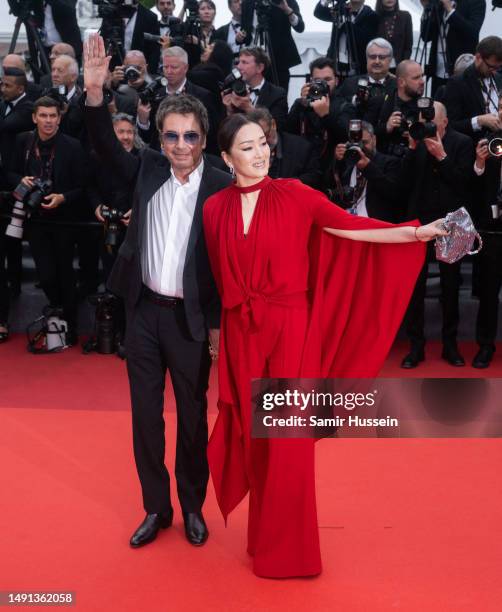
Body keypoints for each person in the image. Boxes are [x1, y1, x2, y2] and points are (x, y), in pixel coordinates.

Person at [203, 113, 447, 578]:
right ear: (226, 157)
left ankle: (290, 555)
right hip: (242, 334)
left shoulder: (295, 195)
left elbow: (353, 228)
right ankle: (262, 537)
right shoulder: (214, 207)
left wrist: (414, 233)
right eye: (248, 147)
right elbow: (219, 280)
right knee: (256, 444)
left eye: (263, 143)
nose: (260, 153)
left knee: (288, 446)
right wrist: (221, 339)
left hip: (291, 333)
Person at [83, 33, 232, 548]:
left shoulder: (221, 185)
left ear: (204, 139)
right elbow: (105, 148)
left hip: (192, 321)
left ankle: (192, 506)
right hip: (144, 313)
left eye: (190, 137)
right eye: (172, 137)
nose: (181, 147)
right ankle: (156, 508)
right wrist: (96, 93)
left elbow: (230, 260)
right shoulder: (146, 167)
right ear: (159, 138)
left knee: (192, 420)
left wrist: (217, 323)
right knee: (146, 419)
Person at [419, 0, 486, 95]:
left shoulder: (476, 2)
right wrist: (426, 9)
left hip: (461, 68)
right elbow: (425, 36)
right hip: (437, 67)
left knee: (457, 104)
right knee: (437, 104)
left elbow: (473, 32)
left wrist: (450, 10)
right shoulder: (438, 3)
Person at [241, 0, 305, 92]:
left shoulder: (285, 1)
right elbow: (245, 31)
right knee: (253, 98)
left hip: (279, 61)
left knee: (279, 98)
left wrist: (287, 10)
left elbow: (300, 27)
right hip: (254, 61)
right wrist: (240, 38)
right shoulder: (248, 3)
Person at [314, 0, 379, 77]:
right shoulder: (339, 10)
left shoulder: (371, 15)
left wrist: (346, 23)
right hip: (335, 63)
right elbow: (319, 12)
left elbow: (364, 39)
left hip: (357, 67)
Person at [375, 0, 413, 65]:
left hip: (400, 66)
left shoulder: (405, 16)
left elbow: (408, 46)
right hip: (380, 65)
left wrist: (403, 65)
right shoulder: (374, 18)